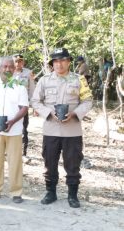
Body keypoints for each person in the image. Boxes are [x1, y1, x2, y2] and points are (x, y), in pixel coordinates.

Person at [31, 48, 93, 208]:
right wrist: (49, 113)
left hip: (72, 130)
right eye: (56, 61)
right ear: (52, 63)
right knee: (49, 161)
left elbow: (88, 101)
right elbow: (35, 101)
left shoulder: (79, 79)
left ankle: (73, 195)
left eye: (63, 60)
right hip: (51, 129)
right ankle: (51, 192)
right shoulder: (44, 80)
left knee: (73, 163)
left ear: (69, 62)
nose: (59, 64)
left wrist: (74, 113)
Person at [0, 56, 29, 203]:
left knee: (15, 161)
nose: (7, 69)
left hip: (14, 130)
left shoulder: (20, 86)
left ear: (14, 69)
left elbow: (24, 108)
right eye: (5, 66)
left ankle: (16, 192)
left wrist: (13, 121)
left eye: (10, 67)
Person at [13, 54, 36, 160]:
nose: (18, 63)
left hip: (23, 106)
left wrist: (34, 105)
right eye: (16, 61)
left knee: (23, 128)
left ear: (23, 62)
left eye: (20, 61)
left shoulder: (28, 73)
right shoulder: (8, 72)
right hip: (10, 105)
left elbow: (32, 89)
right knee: (9, 126)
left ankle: (23, 152)